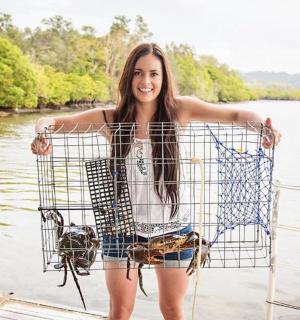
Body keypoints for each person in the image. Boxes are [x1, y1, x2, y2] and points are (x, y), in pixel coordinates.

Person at [31, 43, 281, 320]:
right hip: (121, 228)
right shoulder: (110, 119)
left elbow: (235, 116)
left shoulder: (181, 110)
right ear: (128, 78)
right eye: (138, 73)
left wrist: (262, 127)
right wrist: (42, 133)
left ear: (164, 78)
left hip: (174, 230)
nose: (146, 81)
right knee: (120, 311)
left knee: (172, 309)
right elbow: (54, 122)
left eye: (153, 74)